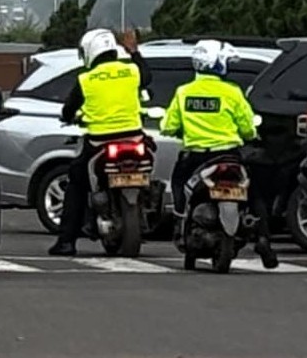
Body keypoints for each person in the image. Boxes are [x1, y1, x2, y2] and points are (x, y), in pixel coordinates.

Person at [159, 38, 276, 268]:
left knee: (179, 184)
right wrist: (250, 134)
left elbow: (169, 126)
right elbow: (247, 127)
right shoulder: (232, 92)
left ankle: (182, 222)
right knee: (255, 194)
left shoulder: (184, 92)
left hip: (196, 157)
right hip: (229, 154)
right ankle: (264, 239)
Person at [48, 29, 151, 257]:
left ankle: (66, 242)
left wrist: (68, 117)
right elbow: (148, 77)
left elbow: (68, 109)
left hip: (99, 143)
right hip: (134, 138)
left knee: (76, 182)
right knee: (149, 165)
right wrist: (134, 51)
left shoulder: (86, 79)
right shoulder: (131, 70)